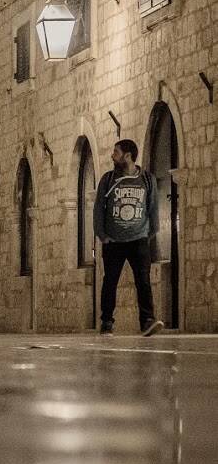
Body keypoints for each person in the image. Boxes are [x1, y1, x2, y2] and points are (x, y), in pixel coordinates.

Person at [94, 139, 163, 336]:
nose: (112, 155)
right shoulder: (108, 180)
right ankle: (107, 321)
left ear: (128, 156)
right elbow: (99, 208)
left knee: (143, 280)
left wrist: (150, 233)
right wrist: (102, 235)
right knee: (110, 281)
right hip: (113, 241)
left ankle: (147, 320)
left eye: (116, 152)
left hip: (139, 239)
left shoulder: (147, 179)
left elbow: (153, 208)